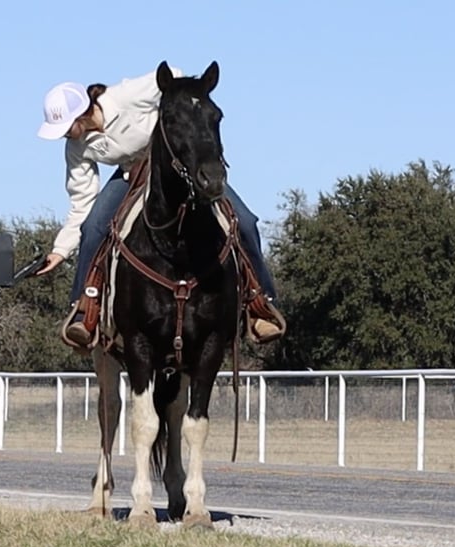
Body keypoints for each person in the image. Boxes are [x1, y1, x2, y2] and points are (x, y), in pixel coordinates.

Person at [35, 66, 282, 347]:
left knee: (245, 222)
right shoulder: (76, 147)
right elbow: (81, 200)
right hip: (130, 173)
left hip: (175, 167)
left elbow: (170, 74)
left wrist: (177, 94)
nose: (64, 135)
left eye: (66, 127)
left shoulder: (123, 96)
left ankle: (260, 304)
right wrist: (60, 250)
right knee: (92, 227)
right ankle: (85, 311)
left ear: (82, 113)